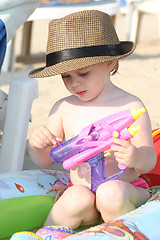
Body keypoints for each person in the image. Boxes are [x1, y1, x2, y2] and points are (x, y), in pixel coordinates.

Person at [28, 10, 157, 229]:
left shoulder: (131, 107)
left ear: (110, 63)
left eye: (84, 74)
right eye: (66, 77)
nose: (75, 84)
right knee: (75, 197)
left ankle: (127, 232)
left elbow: (149, 161)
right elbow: (45, 159)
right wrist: (36, 144)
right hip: (84, 199)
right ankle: (45, 234)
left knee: (110, 192)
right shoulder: (63, 108)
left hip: (124, 194)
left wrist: (134, 156)